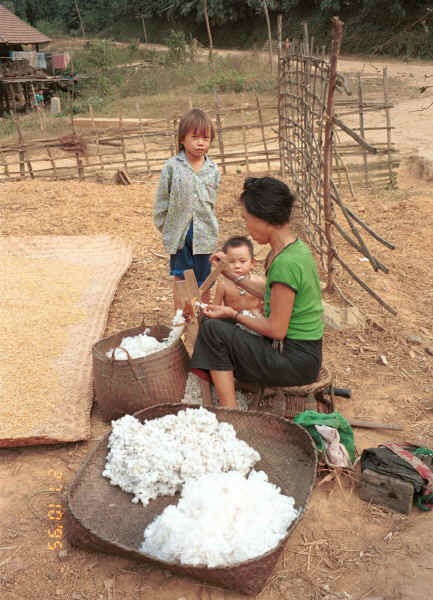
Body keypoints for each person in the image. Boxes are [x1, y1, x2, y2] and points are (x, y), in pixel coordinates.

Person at [190, 176, 324, 409]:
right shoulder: (293, 249)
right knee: (222, 326)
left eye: (247, 219)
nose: (247, 227)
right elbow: (274, 293)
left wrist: (233, 314)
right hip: (301, 354)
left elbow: (276, 330)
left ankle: (231, 411)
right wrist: (233, 276)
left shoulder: (286, 263)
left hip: (294, 361)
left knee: (213, 331)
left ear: (264, 218)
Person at [154, 108, 220, 308]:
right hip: (179, 235)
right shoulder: (173, 167)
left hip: (205, 234)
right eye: (195, 137)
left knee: (204, 282)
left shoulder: (212, 169)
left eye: (206, 138)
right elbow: (162, 199)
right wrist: (165, 226)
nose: (201, 142)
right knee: (182, 280)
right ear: (182, 139)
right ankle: (180, 324)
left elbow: (211, 202)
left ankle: (202, 323)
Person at [214, 236, 263, 316]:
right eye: (231, 261)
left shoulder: (258, 282)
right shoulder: (223, 285)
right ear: (224, 263)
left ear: (252, 263)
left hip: (255, 322)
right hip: (231, 322)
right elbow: (215, 307)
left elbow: (267, 305)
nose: (237, 266)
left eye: (242, 261)